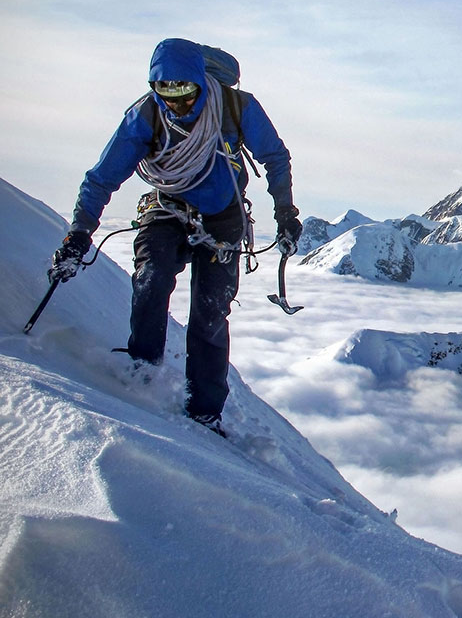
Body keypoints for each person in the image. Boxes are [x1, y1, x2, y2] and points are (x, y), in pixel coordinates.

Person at [48, 38, 303, 437]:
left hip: (223, 215)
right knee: (152, 278)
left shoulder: (237, 108)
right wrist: (80, 232)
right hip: (167, 206)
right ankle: (141, 373)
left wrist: (286, 211)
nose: (177, 104)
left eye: (186, 93)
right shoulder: (145, 116)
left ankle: (204, 411)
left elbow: (274, 156)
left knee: (210, 310)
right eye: (166, 93)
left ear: (202, 83)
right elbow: (101, 178)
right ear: (155, 87)